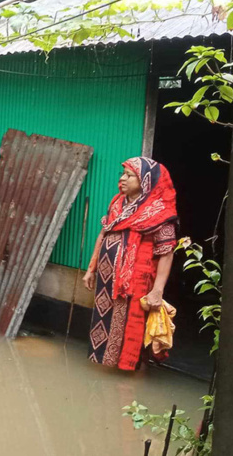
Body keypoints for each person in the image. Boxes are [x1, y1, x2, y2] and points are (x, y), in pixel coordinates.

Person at [82, 157, 179, 370]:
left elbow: (166, 252)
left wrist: (157, 290)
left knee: (132, 326)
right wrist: (92, 268)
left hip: (136, 283)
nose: (122, 179)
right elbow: (103, 234)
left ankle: (131, 373)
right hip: (107, 281)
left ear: (145, 180)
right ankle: (107, 366)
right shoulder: (118, 202)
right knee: (105, 319)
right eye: (122, 174)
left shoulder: (159, 212)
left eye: (129, 175)